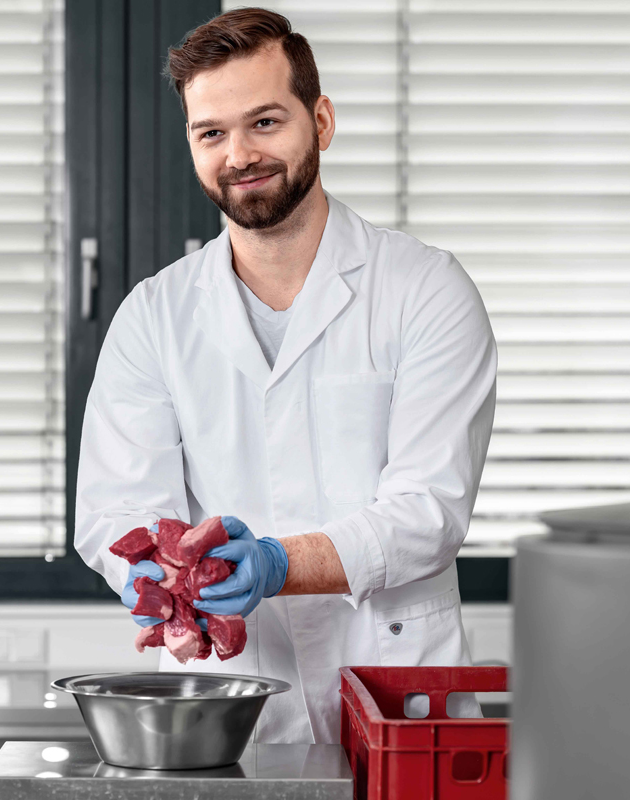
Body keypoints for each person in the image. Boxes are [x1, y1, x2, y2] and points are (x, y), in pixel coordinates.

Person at [74, 7, 498, 744]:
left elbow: (429, 510)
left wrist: (277, 563)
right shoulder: (153, 316)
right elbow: (118, 510)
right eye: (211, 133)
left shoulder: (426, 289)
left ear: (321, 121)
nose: (239, 153)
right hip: (232, 707)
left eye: (265, 122)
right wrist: (158, 579)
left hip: (398, 697)